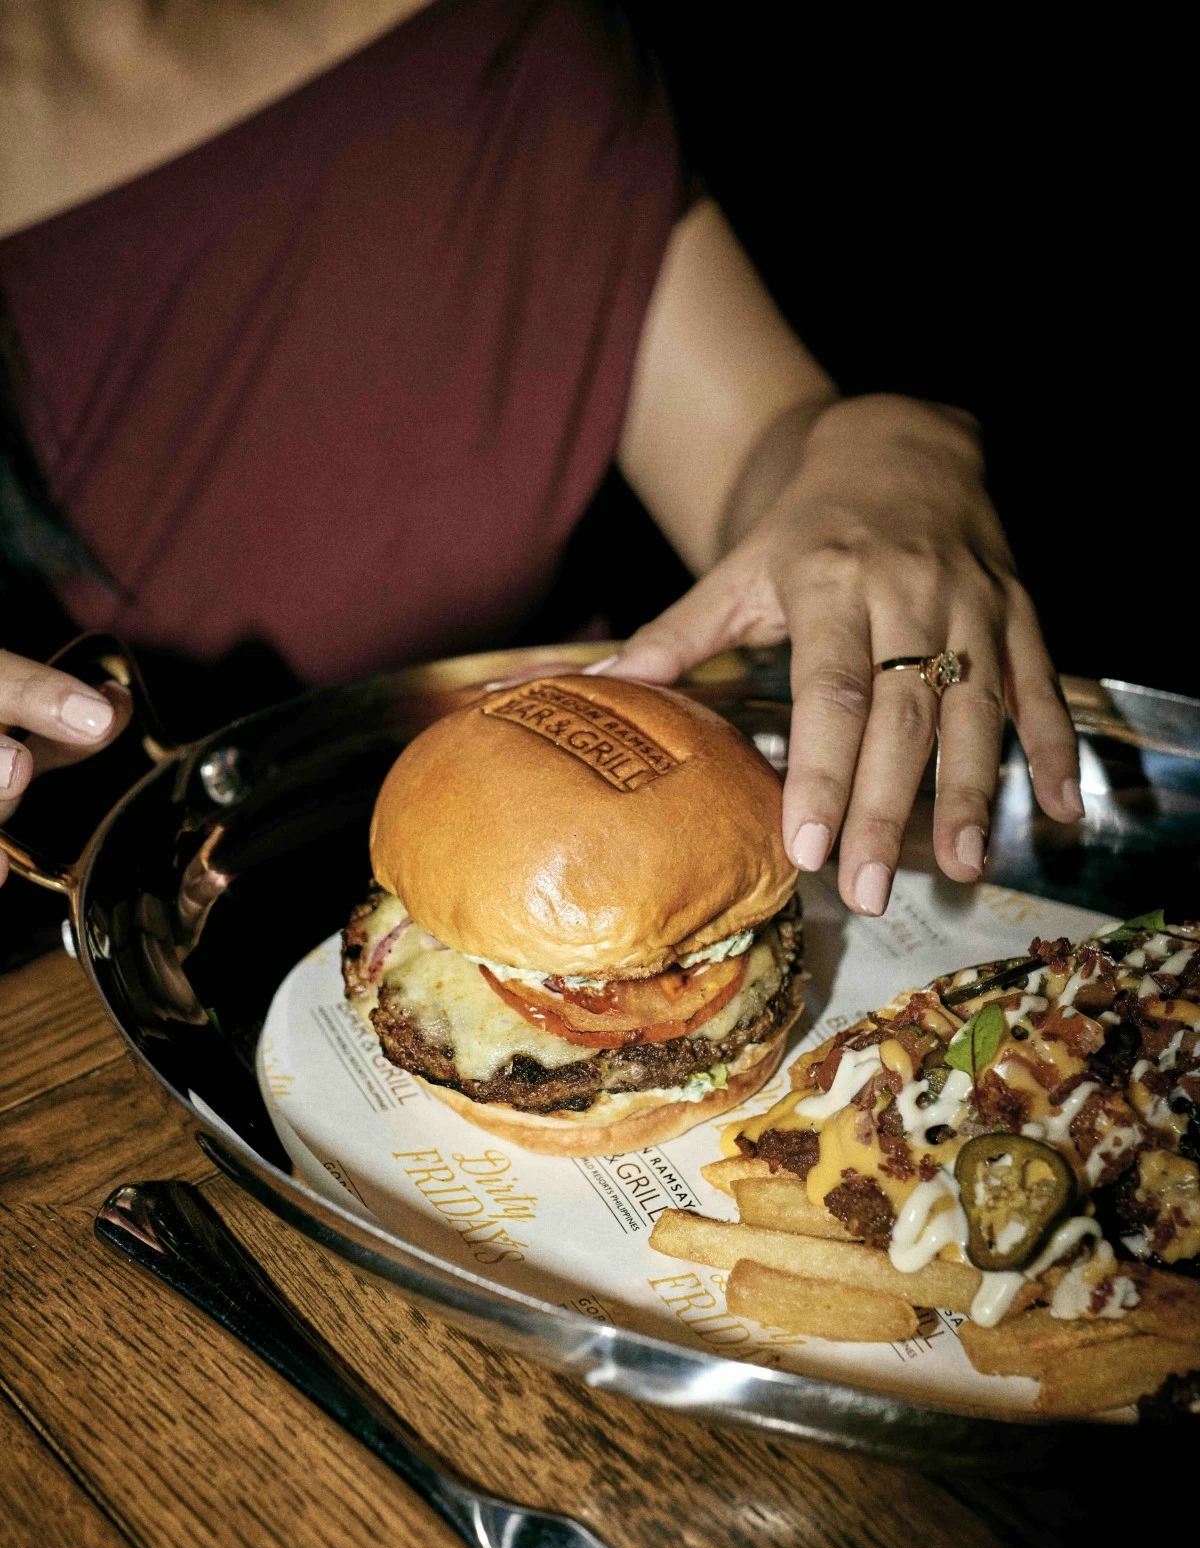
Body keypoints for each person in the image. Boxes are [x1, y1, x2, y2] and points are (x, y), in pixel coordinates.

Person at [0, 0, 1082, 930]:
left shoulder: (493, 28)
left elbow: (758, 447)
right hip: (94, 944)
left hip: (638, 828)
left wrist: (880, 452)